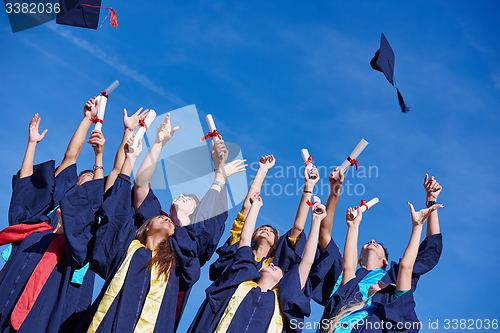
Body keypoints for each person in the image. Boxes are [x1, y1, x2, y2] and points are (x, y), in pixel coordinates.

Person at [73, 137, 230, 333]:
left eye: (189, 198)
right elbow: (140, 185)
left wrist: (220, 173)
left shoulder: (192, 248)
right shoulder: (154, 220)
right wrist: (158, 143)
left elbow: (210, 219)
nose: (182, 195)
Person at [0, 104, 105, 333]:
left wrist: (99, 156)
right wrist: (87, 119)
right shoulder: (51, 209)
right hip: (25, 263)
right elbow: (70, 157)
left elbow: (97, 194)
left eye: (94, 180)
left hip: (61, 278)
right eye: (83, 178)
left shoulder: (90, 223)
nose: (88, 181)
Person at [311, 175, 443, 333]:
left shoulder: (390, 281)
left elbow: (428, 252)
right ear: (359, 259)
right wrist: (335, 190)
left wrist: (431, 203)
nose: (372, 240)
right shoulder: (343, 276)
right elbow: (324, 235)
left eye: (379, 245)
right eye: (367, 243)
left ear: (385, 261)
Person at [188, 192, 327, 333]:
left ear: (284, 279)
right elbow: (244, 239)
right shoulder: (239, 283)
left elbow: (307, 262)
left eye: (278, 268)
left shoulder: (285, 299)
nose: (272, 264)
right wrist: (255, 206)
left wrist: (316, 220)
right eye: (261, 229)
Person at [209, 155, 320, 281]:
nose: (266, 229)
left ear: (276, 245)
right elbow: (247, 208)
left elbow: (298, 228)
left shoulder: (275, 264)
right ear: (253, 235)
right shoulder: (239, 246)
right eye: (262, 228)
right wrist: (262, 170)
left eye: (272, 232)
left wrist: (309, 185)